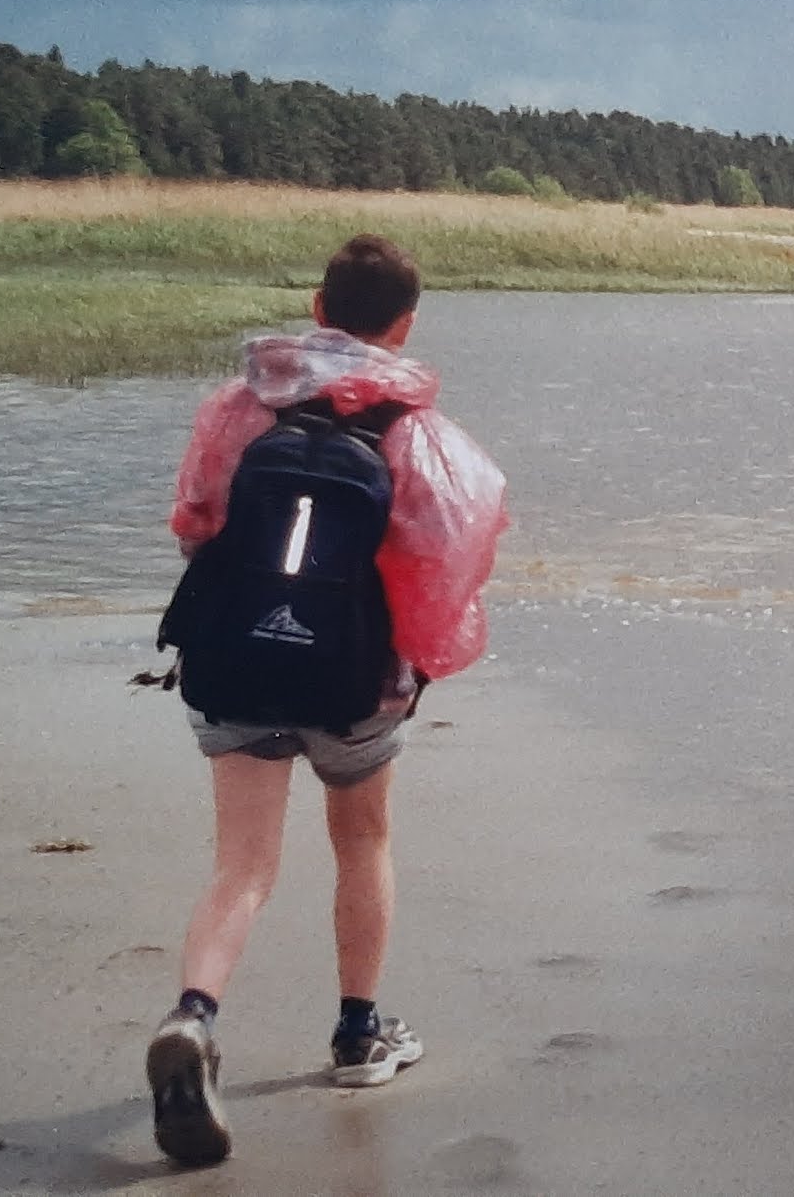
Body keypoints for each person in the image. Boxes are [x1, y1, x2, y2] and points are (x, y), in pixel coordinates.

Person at [147, 233, 510, 1167]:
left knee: (242, 867)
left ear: (317, 308)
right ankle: (357, 1036)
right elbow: (449, 559)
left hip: (236, 666)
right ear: (405, 326)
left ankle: (193, 1018)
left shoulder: (237, 408)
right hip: (353, 683)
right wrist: (411, 667)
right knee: (362, 842)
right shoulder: (417, 434)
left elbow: (193, 523)